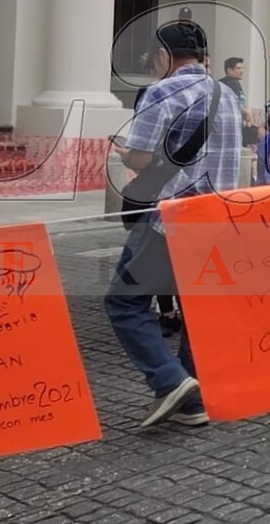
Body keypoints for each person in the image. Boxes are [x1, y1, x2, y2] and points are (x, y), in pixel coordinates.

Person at [106, 21, 240, 428]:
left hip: (170, 216)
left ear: (164, 56)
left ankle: (170, 381)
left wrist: (124, 152)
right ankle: (192, 398)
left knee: (124, 302)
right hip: (216, 215)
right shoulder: (228, 95)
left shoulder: (162, 91)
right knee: (196, 306)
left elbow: (142, 159)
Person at [220, 56, 261, 145]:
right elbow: (237, 104)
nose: (242, 71)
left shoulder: (222, 83)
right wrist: (248, 115)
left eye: (243, 68)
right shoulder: (232, 83)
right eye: (238, 68)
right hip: (234, 125)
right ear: (229, 70)